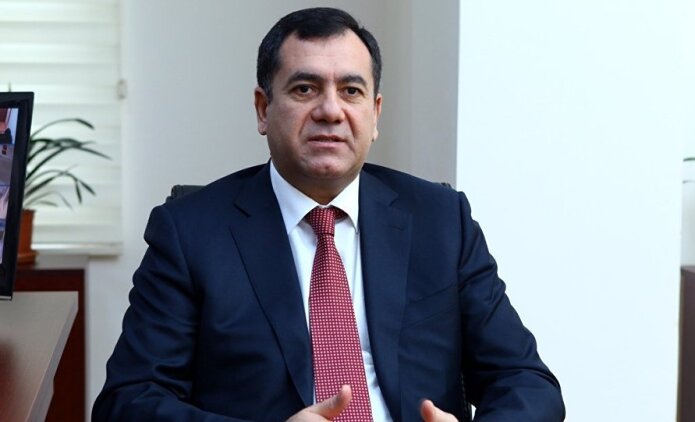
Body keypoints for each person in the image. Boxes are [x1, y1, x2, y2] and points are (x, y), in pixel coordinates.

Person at [93, 7, 564, 422]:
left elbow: (527, 382)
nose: (331, 111)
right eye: (305, 88)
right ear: (263, 109)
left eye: (351, 90)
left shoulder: (441, 221)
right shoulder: (190, 232)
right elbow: (128, 402)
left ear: (375, 114)